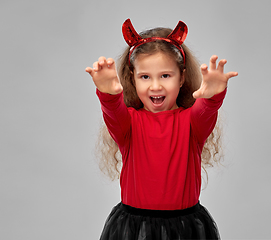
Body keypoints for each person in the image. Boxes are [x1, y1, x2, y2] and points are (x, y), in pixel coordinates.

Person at [85, 18, 238, 240]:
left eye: (165, 75)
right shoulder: (127, 124)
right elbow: (113, 112)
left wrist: (213, 96)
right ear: (132, 79)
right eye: (145, 77)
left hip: (185, 229)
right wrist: (108, 94)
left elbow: (206, 110)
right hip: (134, 230)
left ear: (182, 78)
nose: (155, 86)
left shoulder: (191, 122)